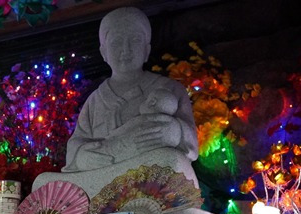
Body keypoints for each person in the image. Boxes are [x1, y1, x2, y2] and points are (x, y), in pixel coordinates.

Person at [62, 7, 199, 186]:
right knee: (43, 182)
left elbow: (192, 145)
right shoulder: (95, 101)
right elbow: (76, 143)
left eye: (134, 40)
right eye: (117, 42)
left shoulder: (169, 89)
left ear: (146, 49)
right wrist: (82, 157)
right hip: (103, 175)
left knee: (171, 160)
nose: (125, 50)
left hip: (149, 174)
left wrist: (175, 132)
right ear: (103, 52)